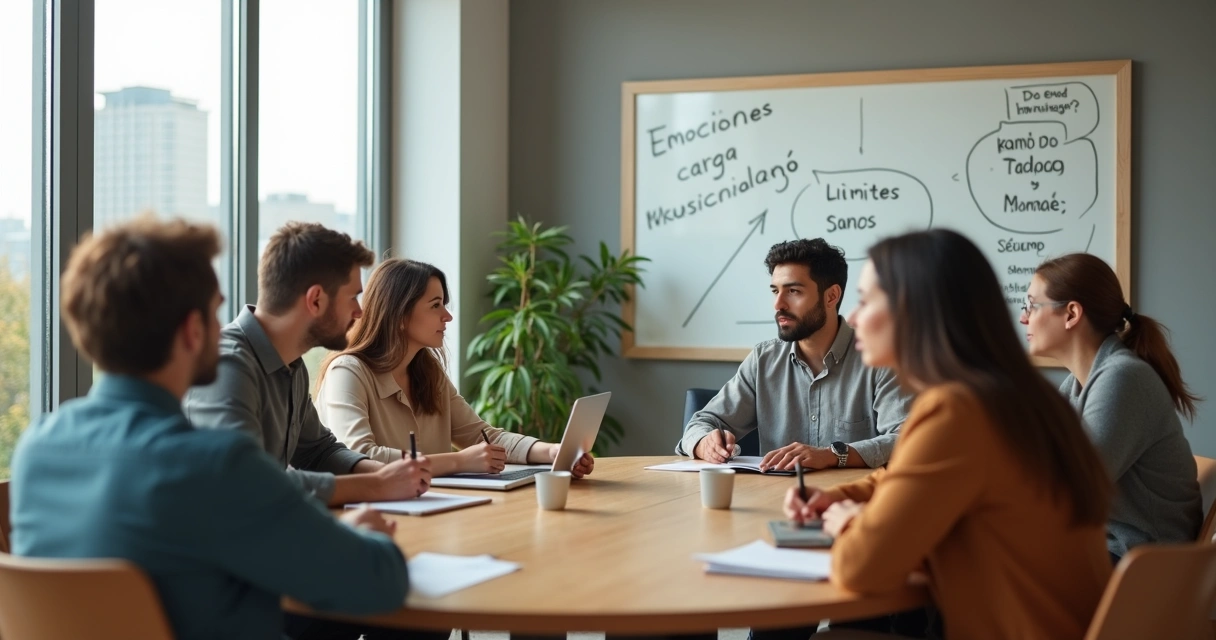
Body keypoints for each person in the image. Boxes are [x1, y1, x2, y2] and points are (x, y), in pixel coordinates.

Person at [10, 217, 413, 640]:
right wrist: (364, 535)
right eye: (216, 312)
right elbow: (381, 581)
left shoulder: (35, 450)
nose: (224, 330)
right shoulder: (214, 464)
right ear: (192, 330)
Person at [786, 229, 1113, 640]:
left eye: (866, 301)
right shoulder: (1014, 396)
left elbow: (862, 568)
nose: (852, 317)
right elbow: (904, 477)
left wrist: (845, 521)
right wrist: (839, 497)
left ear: (914, 311)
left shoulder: (958, 411)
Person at [185, 222, 432, 507]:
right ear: (315, 300)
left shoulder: (292, 365)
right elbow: (246, 479)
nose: (359, 311)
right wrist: (377, 485)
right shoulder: (227, 364)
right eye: (353, 296)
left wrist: (385, 473)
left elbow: (317, 451)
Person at [313, 258, 594, 477]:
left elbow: (483, 436)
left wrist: (553, 451)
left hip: (433, 508)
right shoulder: (348, 372)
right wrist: (459, 460)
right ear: (399, 315)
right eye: (435, 306)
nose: (447, 316)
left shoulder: (428, 371)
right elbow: (359, 456)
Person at [1022, 253, 1202, 562]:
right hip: (1112, 551)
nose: (1024, 317)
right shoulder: (1079, 385)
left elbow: (1070, 490)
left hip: (1142, 567)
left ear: (1071, 314)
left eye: (1032, 305)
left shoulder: (1122, 379)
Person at [675, 238, 912, 472]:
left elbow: (907, 440)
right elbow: (701, 423)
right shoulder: (763, 360)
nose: (778, 304)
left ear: (831, 296)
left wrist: (831, 455)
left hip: (854, 502)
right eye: (775, 291)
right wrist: (704, 443)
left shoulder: (879, 358)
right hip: (775, 501)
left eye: (794, 291)